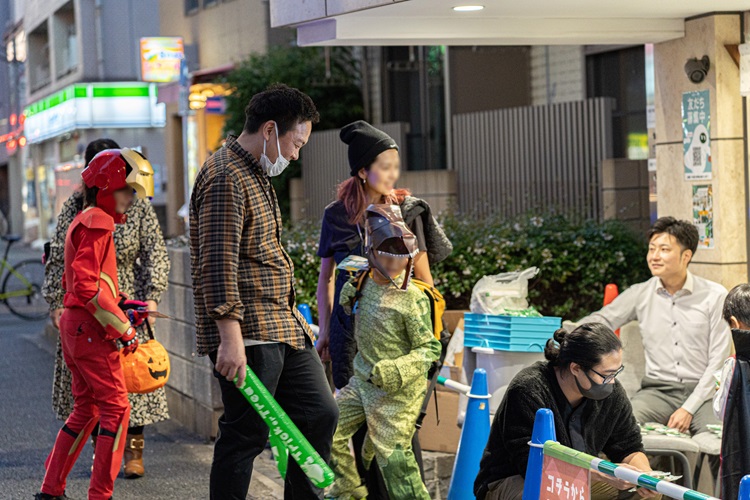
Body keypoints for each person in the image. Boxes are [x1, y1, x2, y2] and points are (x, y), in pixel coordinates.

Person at [189, 83, 338, 499]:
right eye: (296, 142)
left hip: (283, 325)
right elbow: (216, 264)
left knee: (319, 414)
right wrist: (229, 340)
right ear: (271, 130)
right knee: (245, 435)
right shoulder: (224, 176)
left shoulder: (252, 171)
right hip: (250, 330)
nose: (296, 154)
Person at [316, 120, 452, 497]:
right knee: (348, 430)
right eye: (384, 165)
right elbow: (326, 278)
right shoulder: (336, 216)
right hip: (351, 341)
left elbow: (424, 281)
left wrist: (425, 338)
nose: (393, 173)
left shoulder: (407, 212)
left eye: (396, 165)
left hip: (398, 344)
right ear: (362, 170)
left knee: (397, 436)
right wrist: (326, 330)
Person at [43, 138, 170, 478]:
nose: (132, 197)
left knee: (93, 405)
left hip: (101, 309)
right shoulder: (96, 219)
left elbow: (152, 253)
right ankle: (101, 487)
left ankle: (52, 485)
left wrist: (138, 298)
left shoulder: (95, 213)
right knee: (115, 407)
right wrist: (123, 326)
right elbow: (81, 280)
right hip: (97, 319)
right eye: (127, 189)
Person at [328, 204, 442, 500]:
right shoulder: (361, 281)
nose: (395, 266)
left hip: (399, 390)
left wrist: (394, 370)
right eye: (387, 258)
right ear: (372, 252)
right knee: (328, 427)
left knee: (396, 463)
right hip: (363, 378)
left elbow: (429, 348)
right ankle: (349, 488)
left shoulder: (413, 298)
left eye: (402, 260)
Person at [578, 217, 730, 435]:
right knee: (617, 428)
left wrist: (688, 408)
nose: (654, 256)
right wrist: (567, 333)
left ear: (686, 256)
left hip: (705, 393)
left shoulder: (715, 296)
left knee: (719, 439)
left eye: (664, 249)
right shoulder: (641, 292)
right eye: (652, 249)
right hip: (657, 391)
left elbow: (719, 360)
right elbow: (604, 319)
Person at [474, 324, 656, 500]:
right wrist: (602, 473)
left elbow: (630, 447)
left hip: (581, 480)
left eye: (616, 373)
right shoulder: (528, 389)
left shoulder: (611, 392)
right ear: (575, 368)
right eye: (606, 375)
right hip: (516, 480)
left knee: (645, 495)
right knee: (556, 494)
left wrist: (645, 476)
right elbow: (535, 465)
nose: (612, 382)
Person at [713, 284, 750, 500]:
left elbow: (721, 411)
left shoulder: (733, 365)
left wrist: (720, 389)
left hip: (742, 455)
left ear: (734, 323)